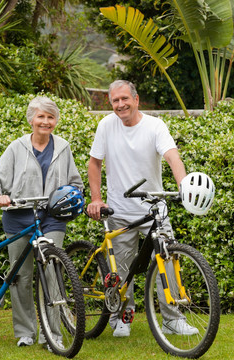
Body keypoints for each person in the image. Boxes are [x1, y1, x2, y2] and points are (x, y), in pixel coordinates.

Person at [87, 80, 198, 337]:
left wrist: (183, 185)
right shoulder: (106, 126)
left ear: (136, 100)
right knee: (123, 269)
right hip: (120, 209)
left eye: (125, 99)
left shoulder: (155, 126)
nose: (120, 104)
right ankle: (121, 319)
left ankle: (172, 319)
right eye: (115, 100)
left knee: (167, 260)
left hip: (153, 209)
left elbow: (172, 155)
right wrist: (96, 198)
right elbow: (95, 163)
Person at [0, 96, 83, 348]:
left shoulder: (63, 147)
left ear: (56, 121)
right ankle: (25, 332)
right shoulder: (15, 147)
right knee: (20, 276)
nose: (46, 121)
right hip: (18, 216)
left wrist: (71, 197)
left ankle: (50, 334)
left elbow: (75, 183)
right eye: (41, 116)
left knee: (52, 271)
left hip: (51, 218)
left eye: (50, 117)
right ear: (31, 119)